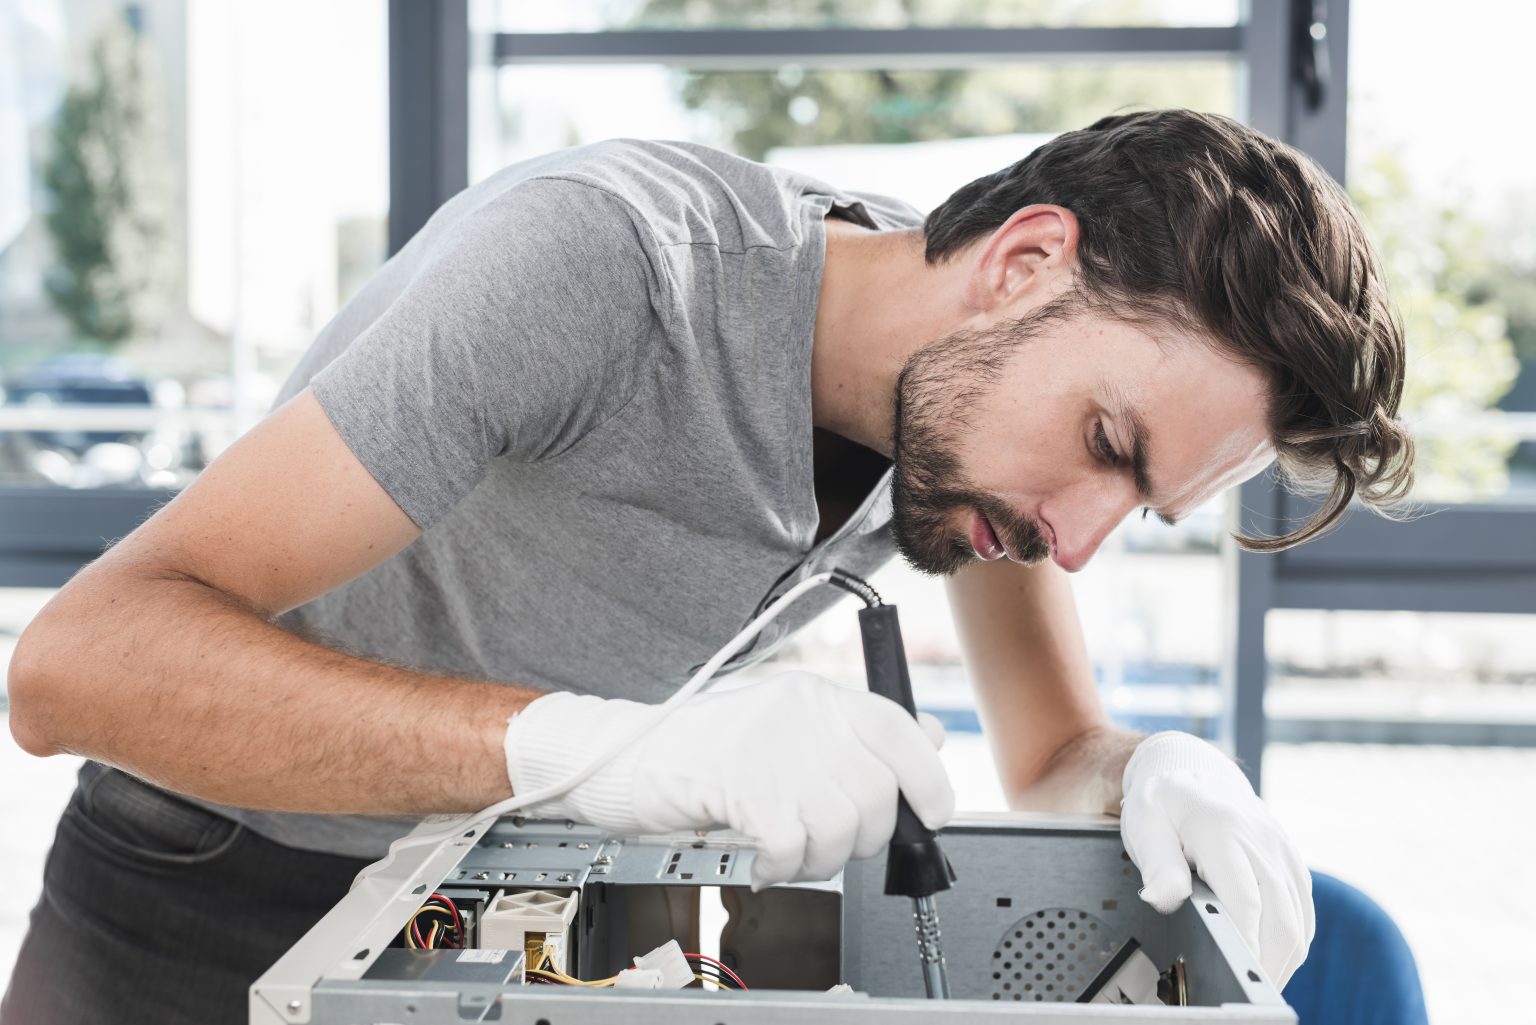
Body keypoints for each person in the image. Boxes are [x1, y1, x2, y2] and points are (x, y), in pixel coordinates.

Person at [2, 109, 1411, 1024]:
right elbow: (75, 666)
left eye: (1142, 506)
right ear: (1024, 260)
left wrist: (1150, 772)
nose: (1081, 538)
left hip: (494, 912)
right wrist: (605, 751)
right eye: (1108, 444)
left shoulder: (970, 431)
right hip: (204, 887)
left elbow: (1050, 752)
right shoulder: (610, 266)